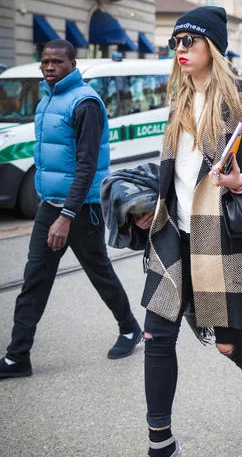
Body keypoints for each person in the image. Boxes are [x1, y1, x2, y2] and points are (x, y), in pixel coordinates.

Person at [128, 6, 242, 457]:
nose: (180, 49)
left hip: (220, 238)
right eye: (176, 41)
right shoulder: (177, 95)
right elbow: (172, 167)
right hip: (173, 234)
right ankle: (162, 448)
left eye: (190, 41)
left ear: (212, 48)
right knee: (157, 336)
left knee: (228, 340)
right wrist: (148, 205)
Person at [0, 40, 142, 379]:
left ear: (72, 64)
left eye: (57, 62)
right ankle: (17, 357)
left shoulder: (86, 103)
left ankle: (129, 328)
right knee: (34, 280)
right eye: (45, 62)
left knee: (99, 273)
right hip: (51, 206)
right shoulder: (47, 99)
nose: (49, 67)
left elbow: (87, 164)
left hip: (81, 209)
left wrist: (67, 216)